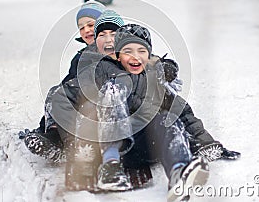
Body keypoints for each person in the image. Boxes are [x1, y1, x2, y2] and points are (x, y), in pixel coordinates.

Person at [52, 23, 213, 200]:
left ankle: (179, 171)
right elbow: (59, 97)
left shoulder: (154, 81)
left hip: (143, 148)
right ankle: (110, 167)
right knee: (112, 90)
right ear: (118, 55)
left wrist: (206, 140)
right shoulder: (100, 73)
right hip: (103, 147)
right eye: (128, 51)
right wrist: (72, 140)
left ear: (149, 55)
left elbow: (183, 111)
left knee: (166, 118)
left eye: (142, 51)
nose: (135, 57)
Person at [20, 0, 107, 161]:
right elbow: (65, 88)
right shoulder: (80, 58)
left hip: (107, 105)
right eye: (81, 27)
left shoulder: (114, 49)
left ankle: (71, 145)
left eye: (90, 24)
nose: (86, 30)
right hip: (80, 107)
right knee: (57, 93)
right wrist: (44, 123)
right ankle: (53, 137)